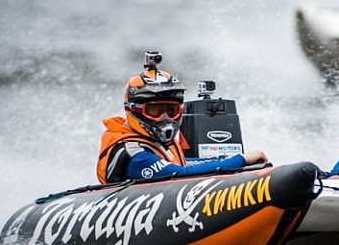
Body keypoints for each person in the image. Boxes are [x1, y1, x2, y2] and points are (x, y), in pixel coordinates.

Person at [97, 52, 268, 184]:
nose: (165, 118)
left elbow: (185, 165)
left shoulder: (159, 145)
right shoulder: (134, 152)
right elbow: (177, 174)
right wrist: (241, 160)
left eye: (171, 111)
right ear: (134, 110)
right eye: (155, 110)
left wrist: (228, 159)